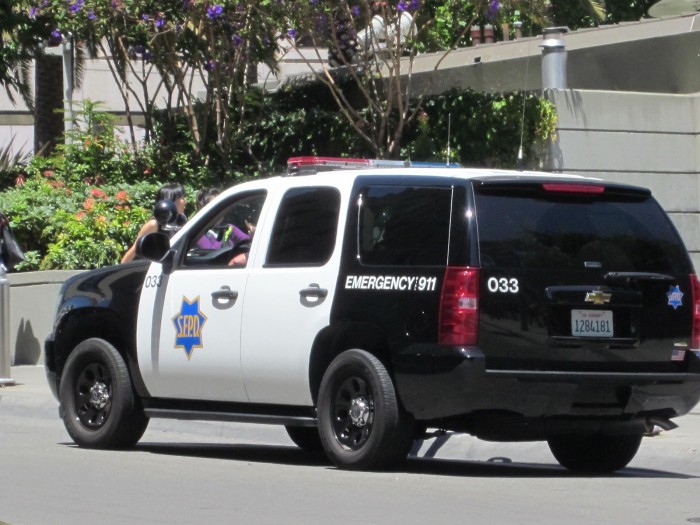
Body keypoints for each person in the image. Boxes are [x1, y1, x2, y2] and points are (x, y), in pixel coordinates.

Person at [121, 183, 186, 263]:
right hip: (148, 270)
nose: (185, 201)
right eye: (182, 197)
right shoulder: (153, 224)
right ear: (172, 201)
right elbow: (134, 251)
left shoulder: (181, 220)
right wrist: (119, 271)